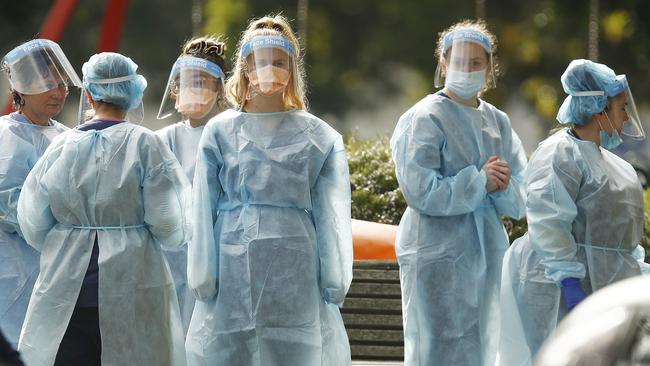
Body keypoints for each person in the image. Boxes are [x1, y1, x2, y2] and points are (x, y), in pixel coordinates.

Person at [185, 15, 353, 366]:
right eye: (262, 61)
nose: (270, 69)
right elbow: (201, 207)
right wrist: (203, 273)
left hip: (296, 268)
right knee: (233, 351)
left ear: (293, 69)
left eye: (280, 62)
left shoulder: (318, 137)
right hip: (232, 268)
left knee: (293, 351)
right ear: (245, 67)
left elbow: (331, 215)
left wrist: (334, 278)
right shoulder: (219, 133)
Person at [16, 52, 191, 365]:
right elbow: (168, 222)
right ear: (134, 94)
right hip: (134, 283)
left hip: (67, 286)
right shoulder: (146, 144)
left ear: (88, 94)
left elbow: (32, 220)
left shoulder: (62, 146)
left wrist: (67, 240)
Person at [390, 20, 527, 366]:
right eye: (459, 61)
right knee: (436, 345)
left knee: (484, 342)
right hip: (435, 252)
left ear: (490, 68)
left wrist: (502, 184)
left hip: (488, 251)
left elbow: (521, 195)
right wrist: (479, 181)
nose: (467, 69)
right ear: (443, 64)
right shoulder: (424, 117)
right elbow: (421, 191)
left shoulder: (499, 122)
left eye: (476, 62)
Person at [498, 59, 648, 366]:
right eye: (620, 109)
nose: (624, 119)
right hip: (554, 287)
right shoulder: (559, 152)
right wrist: (569, 281)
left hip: (604, 289)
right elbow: (548, 221)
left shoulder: (619, 166)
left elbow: (623, 241)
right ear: (598, 110)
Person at [0, 39, 80, 348]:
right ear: (23, 87)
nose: (58, 92)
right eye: (47, 83)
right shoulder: (7, 137)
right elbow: (9, 206)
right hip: (10, 268)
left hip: (59, 271)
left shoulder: (66, 137)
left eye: (61, 84)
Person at [156, 36, 230, 334]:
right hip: (171, 260)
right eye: (186, 81)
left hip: (222, 255)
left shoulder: (234, 135)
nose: (192, 89)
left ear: (219, 88)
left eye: (202, 81)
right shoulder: (162, 140)